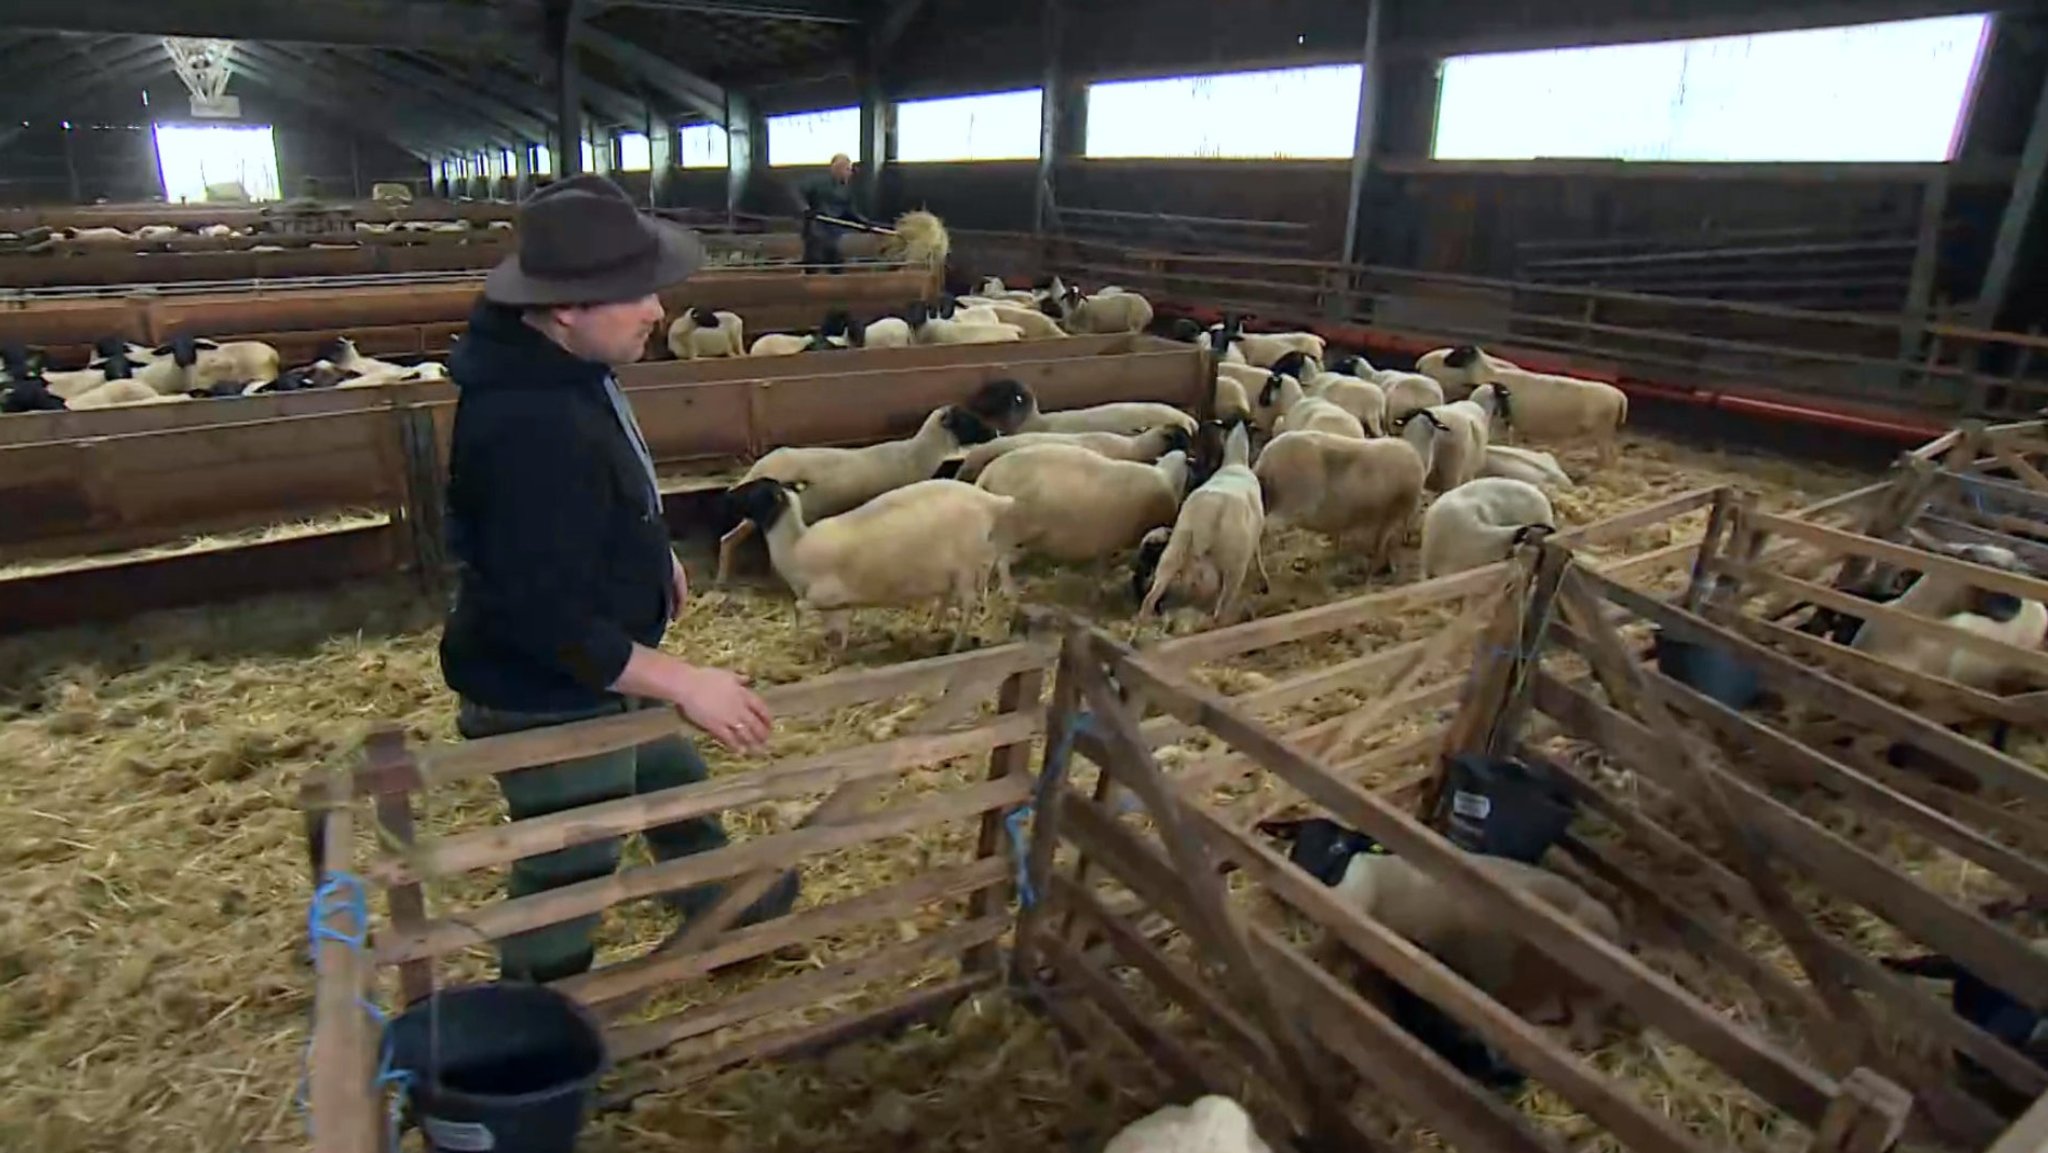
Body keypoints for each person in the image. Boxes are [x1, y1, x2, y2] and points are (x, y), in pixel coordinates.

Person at [440, 173, 799, 984]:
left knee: (676, 795)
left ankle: (732, 926)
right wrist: (683, 679)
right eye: (636, 293)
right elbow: (543, 617)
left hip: (608, 661)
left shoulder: (564, 365)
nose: (658, 310)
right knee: (570, 863)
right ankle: (536, 1022)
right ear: (567, 304)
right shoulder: (525, 427)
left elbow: (606, 486)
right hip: (550, 689)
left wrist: (651, 552)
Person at [796, 152, 867, 272]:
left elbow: (849, 211)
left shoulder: (846, 190)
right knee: (815, 260)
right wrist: (805, 208)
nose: (849, 173)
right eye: (847, 169)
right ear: (837, 169)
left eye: (849, 170)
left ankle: (835, 282)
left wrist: (864, 223)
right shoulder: (817, 182)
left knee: (835, 260)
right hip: (817, 226)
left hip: (835, 230)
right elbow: (797, 194)